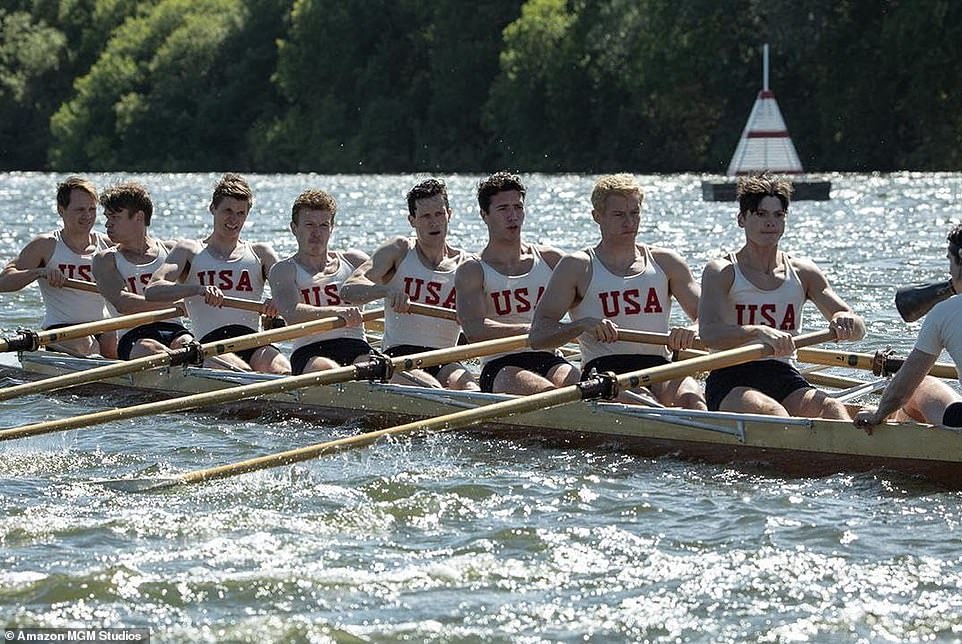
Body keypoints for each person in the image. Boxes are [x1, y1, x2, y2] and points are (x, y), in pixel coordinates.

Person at [529, 173, 704, 408]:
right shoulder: (577, 266)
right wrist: (581, 326)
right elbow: (538, 335)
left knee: (693, 402)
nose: (630, 223)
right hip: (605, 372)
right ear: (597, 216)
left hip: (660, 366)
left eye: (635, 213)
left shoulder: (666, 262)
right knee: (649, 406)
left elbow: (710, 318)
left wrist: (692, 330)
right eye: (619, 215)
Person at [698, 171, 863, 418]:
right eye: (761, 214)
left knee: (832, 407)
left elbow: (859, 329)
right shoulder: (721, 271)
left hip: (782, 373)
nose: (770, 223)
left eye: (778, 215)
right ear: (741, 219)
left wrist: (845, 320)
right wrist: (757, 331)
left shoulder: (803, 272)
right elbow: (709, 334)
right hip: (730, 376)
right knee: (775, 413)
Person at [144, 173, 290, 374]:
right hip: (211, 345)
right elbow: (152, 290)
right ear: (212, 209)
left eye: (240, 213)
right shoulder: (188, 251)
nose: (233, 219)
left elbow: (292, 292)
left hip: (253, 342)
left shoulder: (260, 252)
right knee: (242, 373)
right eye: (227, 211)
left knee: (283, 371)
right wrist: (198, 289)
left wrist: (278, 300)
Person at [341, 178, 478, 390]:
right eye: (425, 216)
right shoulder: (400, 250)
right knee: (433, 390)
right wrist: (386, 291)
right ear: (412, 220)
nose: (434, 222)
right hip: (399, 357)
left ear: (449, 214)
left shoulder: (467, 265)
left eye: (439, 214)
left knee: (472, 391)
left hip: (446, 359)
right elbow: (349, 289)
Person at [455, 171, 579, 394]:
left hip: (548, 357)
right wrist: (533, 330)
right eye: (503, 209)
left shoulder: (551, 260)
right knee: (550, 394)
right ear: (484, 215)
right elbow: (474, 330)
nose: (513, 216)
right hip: (500, 364)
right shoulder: (472, 269)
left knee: (582, 388)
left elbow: (592, 297)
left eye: (518, 208)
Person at [854, 225, 962, 432]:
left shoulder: (944, 312)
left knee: (920, 386)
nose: (949, 270)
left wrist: (879, 413)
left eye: (949, 260)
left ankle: (899, 443)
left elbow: (903, 388)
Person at [0, 176, 118, 358]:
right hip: (61, 331)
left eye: (92, 209)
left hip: (103, 330)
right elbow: (4, 281)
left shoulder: (108, 245)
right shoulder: (46, 245)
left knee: (116, 341)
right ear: (61, 210)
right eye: (80, 209)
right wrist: (40, 272)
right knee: (88, 344)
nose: (87, 216)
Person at [268, 189, 372, 375]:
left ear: (332, 228)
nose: (316, 233)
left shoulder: (356, 262)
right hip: (311, 352)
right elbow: (292, 313)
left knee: (371, 368)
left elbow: (393, 283)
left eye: (323, 225)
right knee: (331, 370)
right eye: (309, 225)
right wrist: (338, 311)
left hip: (357, 347)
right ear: (294, 228)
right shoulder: (283, 270)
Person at [91, 182, 194, 360]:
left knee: (188, 345)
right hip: (133, 335)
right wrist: (174, 303)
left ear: (139, 217)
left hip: (175, 330)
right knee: (150, 349)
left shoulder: (172, 251)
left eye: (114, 217)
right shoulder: (105, 260)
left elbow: (206, 283)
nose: (107, 224)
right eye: (107, 217)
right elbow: (123, 303)